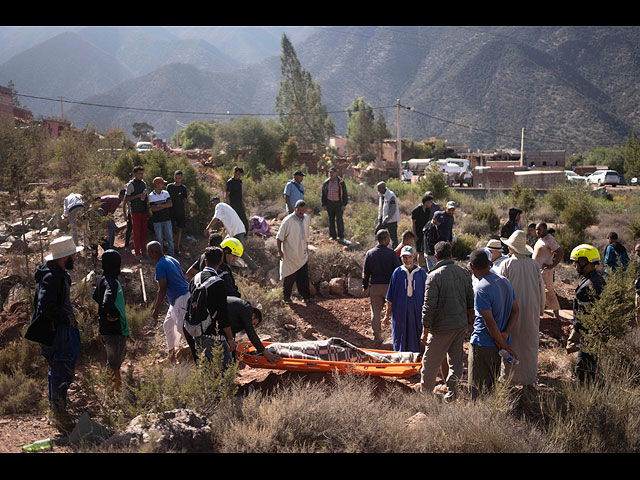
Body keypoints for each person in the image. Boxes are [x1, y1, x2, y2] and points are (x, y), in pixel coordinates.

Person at [25, 236, 83, 435]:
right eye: (72, 254)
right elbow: (44, 306)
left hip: (58, 332)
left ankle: (56, 412)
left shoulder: (54, 273)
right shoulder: (53, 276)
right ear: (64, 256)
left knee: (57, 371)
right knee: (62, 371)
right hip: (60, 333)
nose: (74, 257)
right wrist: (65, 320)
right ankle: (59, 415)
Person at [420, 241, 474, 402]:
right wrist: (469, 322)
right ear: (451, 255)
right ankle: (452, 395)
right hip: (459, 325)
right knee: (455, 363)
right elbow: (470, 299)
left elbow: (428, 307)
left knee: (429, 364)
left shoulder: (433, 276)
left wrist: (425, 331)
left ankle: (425, 397)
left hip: (441, 328)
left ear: (436, 257)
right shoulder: (463, 272)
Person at [467, 248, 520, 399]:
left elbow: (489, 323)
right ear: (490, 263)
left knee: (477, 392)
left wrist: (503, 345)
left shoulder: (481, 288)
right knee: (491, 389)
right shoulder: (505, 282)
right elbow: (516, 310)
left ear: (471, 266)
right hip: (498, 346)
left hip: (483, 345)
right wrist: (505, 334)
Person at [496, 230, 546, 387]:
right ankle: (529, 380)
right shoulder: (534, 265)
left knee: (511, 344)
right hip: (531, 310)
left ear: (511, 247)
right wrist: (540, 309)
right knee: (529, 346)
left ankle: (508, 380)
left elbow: (500, 290)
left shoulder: (507, 264)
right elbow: (541, 289)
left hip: (511, 312)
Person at [183, 246, 236, 369]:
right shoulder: (218, 283)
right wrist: (230, 339)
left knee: (206, 371)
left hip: (197, 331)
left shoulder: (195, 279)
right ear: (221, 261)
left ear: (205, 261)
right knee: (225, 371)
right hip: (214, 335)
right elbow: (223, 315)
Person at [92, 249, 129, 394]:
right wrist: (111, 313)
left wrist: (104, 313)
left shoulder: (102, 279)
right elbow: (107, 301)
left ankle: (109, 393)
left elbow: (96, 296)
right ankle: (116, 395)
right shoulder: (112, 283)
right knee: (115, 365)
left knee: (111, 362)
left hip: (105, 329)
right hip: (115, 330)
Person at [567, 244, 606, 383]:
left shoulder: (589, 285)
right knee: (590, 368)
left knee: (583, 372)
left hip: (589, 337)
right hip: (595, 335)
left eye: (576, 261)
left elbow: (585, 317)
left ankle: (588, 399)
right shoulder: (596, 279)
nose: (573, 264)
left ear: (584, 262)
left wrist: (577, 333)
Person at [148, 240, 190, 364]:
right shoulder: (170, 259)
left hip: (180, 298)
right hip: (179, 298)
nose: (149, 255)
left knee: (182, 328)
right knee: (168, 325)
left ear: (154, 252)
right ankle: (171, 356)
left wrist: (156, 310)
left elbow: (162, 289)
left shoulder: (160, 265)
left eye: (149, 252)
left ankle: (200, 352)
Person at [384, 246, 426, 353]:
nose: (407, 260)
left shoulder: (421, 273)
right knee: (400, 336)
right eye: (404, 257)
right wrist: (387, 315)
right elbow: (390, 296)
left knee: (415, 336)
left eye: (409, 257)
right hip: (400, 312)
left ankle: (415, 364)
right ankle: (400, 363)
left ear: (414, 257)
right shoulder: (397, 273)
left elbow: (428, 295)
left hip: (417, 312)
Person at [362, 229, 401, 345]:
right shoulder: (391, 253)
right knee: (395, 311)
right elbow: (398, 270)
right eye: (388, 238)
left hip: (375, 287)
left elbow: (365, 272)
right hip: (390, 287)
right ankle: (396, 335)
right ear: (385, 239)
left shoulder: (370, 253)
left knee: (375, 312)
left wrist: (365, 287)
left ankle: (377, 337)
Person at [204, 197, 258, 271]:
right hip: (236, 230)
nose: (213, 207)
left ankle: (254, 268)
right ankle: (224, 266)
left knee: (240, 251)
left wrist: (207, 229)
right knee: (223, 246)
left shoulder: (219, 206)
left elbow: (215, 218)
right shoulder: (224, 206)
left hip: (237, 231)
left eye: (212, 205)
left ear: (214, 203)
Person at [226, 296, 281, 363]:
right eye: (254, 323)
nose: (252, 325)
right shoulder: (245, 309)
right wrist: (265, 352)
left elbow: (230, 329)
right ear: (253, 315)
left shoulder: (241, 309)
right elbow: (251, 332)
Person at [277, 199, 312, 303]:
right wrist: (280, 251)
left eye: (303, 210)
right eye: (298, 210)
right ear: (295, 209)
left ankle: (306, 297)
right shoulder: (288, 220)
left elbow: (305, 235)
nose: (301, 212)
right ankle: (286, 298)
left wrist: (306, 247)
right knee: (289, 276)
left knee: (303, 277)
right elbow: (279, 237)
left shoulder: (306, 219)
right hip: (290, 254)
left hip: (302, 253)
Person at [533, 222, 563, 321]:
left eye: (539, 229)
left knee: (549, 290)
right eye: (536, 229)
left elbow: (560, 252)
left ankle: (556, 314)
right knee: (537, 291)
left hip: (546, 271)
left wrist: (552, 265)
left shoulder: (549, 239)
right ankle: (538, 311)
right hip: (538, 270)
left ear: (545, 229)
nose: (537, 231)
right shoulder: (540, 239)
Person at [124, 166, 149, 259]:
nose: (141, 175)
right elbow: (127, 198)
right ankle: (137, 253)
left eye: (142, 173)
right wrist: (138, 195)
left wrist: (147, 210)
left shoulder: (144, 184)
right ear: (134, 174)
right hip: (135, 211)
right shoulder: (131, 185)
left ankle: (144, 251)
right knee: (137, 233)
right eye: (139, 174)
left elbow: (146, 197)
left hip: (143, 210)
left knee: (144, 232)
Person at [149, 177, 175, 257]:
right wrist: (164, 205)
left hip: (167, 219)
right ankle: (161, 255)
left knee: (169, 238)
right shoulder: (151, 195)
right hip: (157, 221)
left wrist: (159, 205)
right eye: (162, 183)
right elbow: (153, 209)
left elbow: (170, 204)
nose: (163, 185)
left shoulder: (166, 193)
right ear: (157, 184)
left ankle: (171, 254)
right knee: (159, 239)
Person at [321, 167, 349, 242]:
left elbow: (345, 194)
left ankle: (341, 236)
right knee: (331, 220)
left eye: (333, 172)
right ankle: (332, 236)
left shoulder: (341, 182)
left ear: (336, 173)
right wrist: (323, 204)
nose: (331, 174)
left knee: (339, 220)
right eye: (330, 173)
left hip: (339, 204)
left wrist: (344, 204)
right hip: (329, 203)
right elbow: (323, 194)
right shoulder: (326, 182)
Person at [411, 193, 437, 267]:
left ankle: (424, 266)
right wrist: (414, 234)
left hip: (425, 234)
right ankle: (420, 267)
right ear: (426, 202)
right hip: (417, 233)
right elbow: (413, 223)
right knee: (420, 252)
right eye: (430, 202)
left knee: (425, 251)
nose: (431, 204)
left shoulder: (428, 211)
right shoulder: (416, 210)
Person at [167, 170, 188, 256]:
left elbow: (185, 200)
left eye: (179, 178)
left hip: (180, 211)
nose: (177, 180)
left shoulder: (183, 188)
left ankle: (177, 247)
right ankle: (170, 247)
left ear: (181, 178)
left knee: (180, 229)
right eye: (176, 178)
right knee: (169, 229)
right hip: (170, 211)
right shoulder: (169, 187)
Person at [375, 181, 401, 248]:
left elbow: (392, 209)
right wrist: (380, 217)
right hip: (383, 219)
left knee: (393, 238)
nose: (378, 190)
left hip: (391, 220)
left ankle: (394, 252)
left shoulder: (390, 195)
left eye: (379, 188)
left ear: (383, 188)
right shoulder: (381, 195)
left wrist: (386, 219)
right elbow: (382, 207)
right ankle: (378, 248)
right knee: (377, 232)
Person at [225, 166, 249, 233]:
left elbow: (240, 194)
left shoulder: (240, 181)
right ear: (234, 173)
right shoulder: (230, 182)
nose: (239, 176)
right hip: (233, 205)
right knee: (234, 222)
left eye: (240, 175)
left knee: (244, 222)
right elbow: (227, 195)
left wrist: (243, 204)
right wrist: (229, 207)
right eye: (238, 174)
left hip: (239, 205)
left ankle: (245, 236)